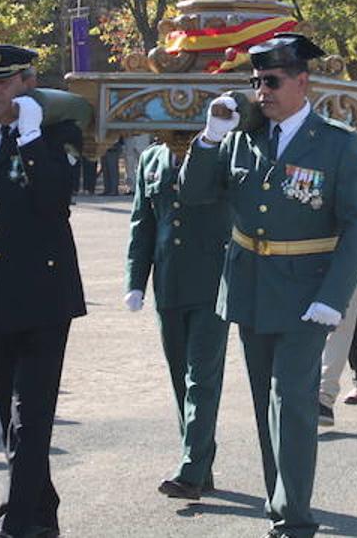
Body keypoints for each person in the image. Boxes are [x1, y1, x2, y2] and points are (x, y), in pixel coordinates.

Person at [179, 33, 357, 538]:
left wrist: (334, 297)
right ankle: (278, 498)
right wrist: (209, 139)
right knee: (267, 401)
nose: (260, 91)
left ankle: (294, 515)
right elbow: (195, 194)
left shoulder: (337, 143)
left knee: (293, 399)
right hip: (251, 288)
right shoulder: (245, 137)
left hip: (309, 293)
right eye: (255, 81)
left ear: (302, 82)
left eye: (271, 81)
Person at [0, 44, 87, 538]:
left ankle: (13, 524)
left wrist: (32, 137)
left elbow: (55, 202)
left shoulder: (58, 133)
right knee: (8, 420)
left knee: (31, 417)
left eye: (4, 81)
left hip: (43, 292)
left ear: (28, 83)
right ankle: (42, 513)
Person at [125, 136, 233, 502]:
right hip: (169, 283)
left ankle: (190, 470)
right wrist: (135, 281)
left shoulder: (221, 152)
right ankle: (202, 465)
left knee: (201, 376)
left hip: (212, 282)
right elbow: (143, 222)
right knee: (179, 380)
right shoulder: (151, 158)